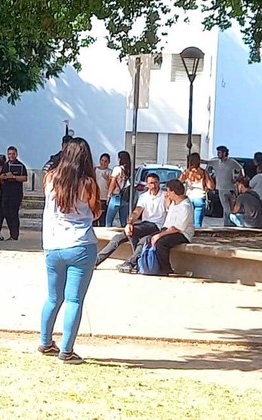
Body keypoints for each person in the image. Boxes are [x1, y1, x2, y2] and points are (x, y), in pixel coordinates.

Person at [38, 137, 100, 364]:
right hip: (81, 244)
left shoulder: (50, 179)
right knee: (74, 300)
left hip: (53, 245)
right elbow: (95, 212)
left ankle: (45, 342)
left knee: (53, 298)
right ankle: (66, 350)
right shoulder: (88, 183)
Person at [95, 173, 167, 268]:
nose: (153, 186)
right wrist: (129, 223)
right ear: (146, 184)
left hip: (156, 225)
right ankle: (96, 261)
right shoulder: (144, 197)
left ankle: (132, 263)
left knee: (133, 232)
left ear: (159, 183)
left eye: (155, 183)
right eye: (151, 183)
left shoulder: (165, 196)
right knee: (117, 238)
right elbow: (137, 211)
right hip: (144, 224)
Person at [125, 179, 194, 274]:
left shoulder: (185, 206)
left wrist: (159, 235)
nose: (167, 193)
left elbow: (177, 228)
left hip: (181, 233)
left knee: (161, 243)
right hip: (168, 230)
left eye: (168, 191)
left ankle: (165, 268)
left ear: (173, 192)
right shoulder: (175, 202)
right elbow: (168, 209)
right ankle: (137, 263)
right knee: (146, 239)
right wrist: (167, 200)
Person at [208, 145, 244, 226]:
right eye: (217, 152)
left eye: (219, 152)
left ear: (224, 153)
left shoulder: (232, 162)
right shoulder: (215, 162)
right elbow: (205, 162)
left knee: (232, 208)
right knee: (226, 208)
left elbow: (241, 169)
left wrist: (237, 179)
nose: (218, 154)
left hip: (231, 189)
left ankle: (233, 223)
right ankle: (228, 224)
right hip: (221, 189)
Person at [0, 146, 29, 240]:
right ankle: (11, 233)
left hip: (16, 194)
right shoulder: (5, 165)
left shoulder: (21, 166)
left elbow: (25, 178)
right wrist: (5, 176)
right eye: (9, 154)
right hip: (6, 193)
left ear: (16, 154)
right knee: (6, 213)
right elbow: (0, 177)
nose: (11, 156)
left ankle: (15, 235)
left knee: (14, 214)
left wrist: (14, 177)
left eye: (13, 154)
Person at [180, 153, 213, 229]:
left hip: (189, 197)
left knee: (187, 222)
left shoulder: (186, 172)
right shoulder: (204, 172)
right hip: (200, 197)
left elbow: (179, 182)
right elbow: (211, 186)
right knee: (197, 224)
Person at [104, 151, 132, 228]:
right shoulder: (130, 170)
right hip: (125, 198)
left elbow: (113, 183)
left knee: (109, 221)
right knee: (124, 222)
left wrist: (109, 195)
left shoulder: (117, 169)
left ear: (120, 159)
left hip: (115, 197)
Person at [92, 153, 112, 227]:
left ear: (108, 162)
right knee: (94, 218)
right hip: (95, 197)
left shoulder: (110, 172)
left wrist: (108, 180)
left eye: (106, 161)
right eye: (102, 160)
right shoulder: (95, 170)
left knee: (102, 218)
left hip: (104, 198)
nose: (103, 163)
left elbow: (111, 186)